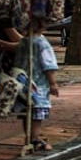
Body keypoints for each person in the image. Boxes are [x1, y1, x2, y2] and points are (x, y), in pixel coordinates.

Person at [14, 16, 59, 152]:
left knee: (27, 110)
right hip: (38, 84)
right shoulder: (42, 44)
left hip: (22, 81)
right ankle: (34, 138)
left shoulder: (23, 42)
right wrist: (53, 83)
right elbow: (48, 66)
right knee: (37, 112)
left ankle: (29, 136)